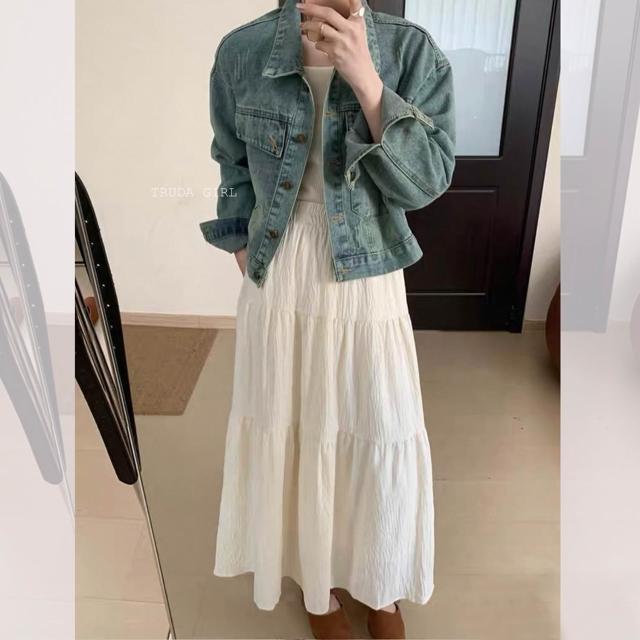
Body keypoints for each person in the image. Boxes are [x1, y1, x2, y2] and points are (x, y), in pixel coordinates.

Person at [199, 0, 456, 637]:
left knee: (377, 426)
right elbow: (231, 160)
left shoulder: (412, 52)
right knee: (293, 429)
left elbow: (428, 182)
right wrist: (238, 240)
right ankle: (319, 589)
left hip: (367, 274)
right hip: (281, 269)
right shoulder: (242, 50)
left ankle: (379, 583)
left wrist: (368, 81)